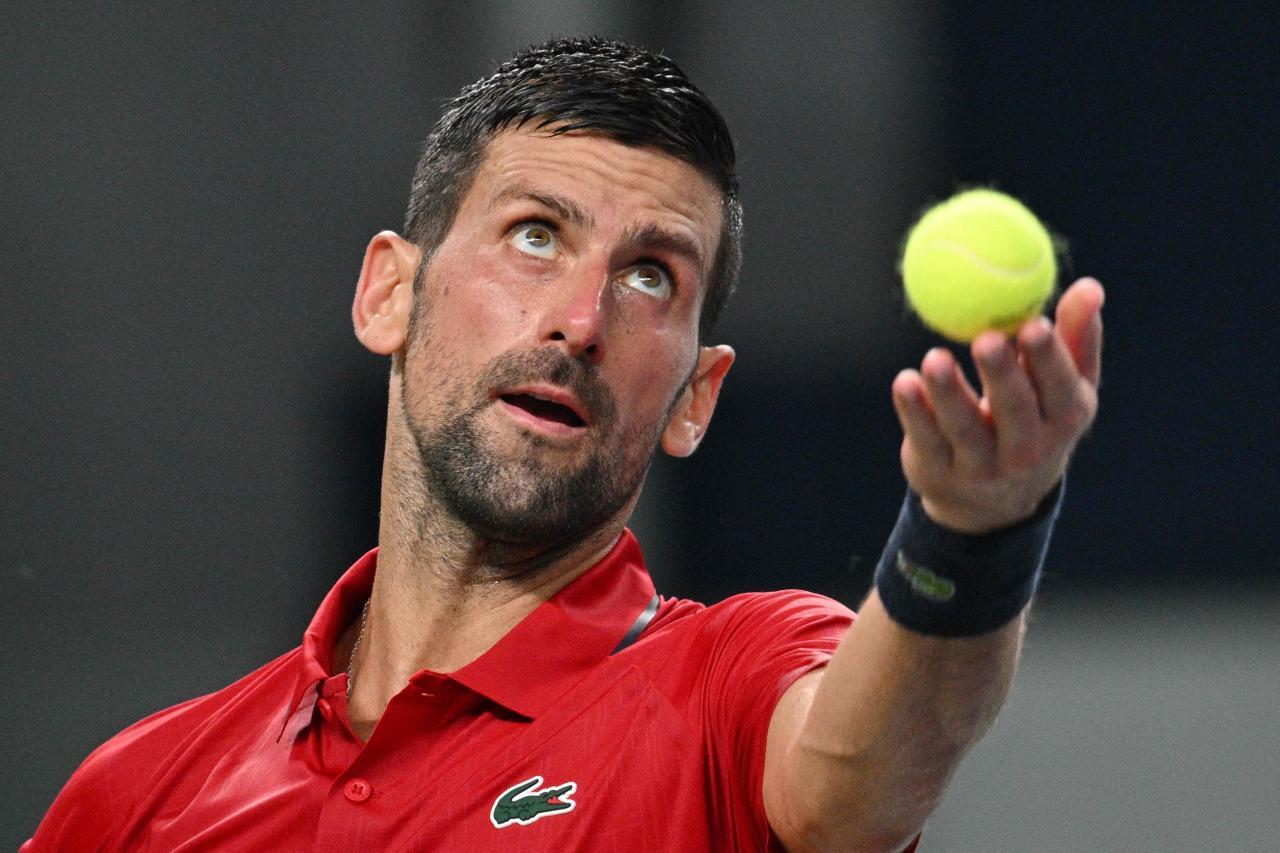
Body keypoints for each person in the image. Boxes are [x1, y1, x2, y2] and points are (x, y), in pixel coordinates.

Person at [25, 37, 1104, 852]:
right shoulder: (140, 797)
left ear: (695, 398)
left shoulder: (728, 689)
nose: (581, 321)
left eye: (651, 276)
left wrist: (973, 534)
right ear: (389, 292)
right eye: (535, 235)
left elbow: (863, 771)